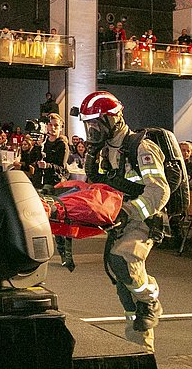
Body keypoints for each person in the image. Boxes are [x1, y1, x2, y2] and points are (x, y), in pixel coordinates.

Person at [79, 91, 170, 352]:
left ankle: (151, 298)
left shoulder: (141, 147)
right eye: (89, 125)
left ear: (113, 119)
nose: (92, 131)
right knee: (123, 286)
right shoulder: (107, 150)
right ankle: (139, 349)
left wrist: (129, 211)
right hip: (119, 220)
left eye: (96, 124)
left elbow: (159, 191)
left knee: (123, 260)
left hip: (142, 218)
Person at [34, 113, 72, 270]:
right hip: (40, 184)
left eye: (56, 125)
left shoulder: (62, 144)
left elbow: (62, 169)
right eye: (50, 125)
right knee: (39, 221)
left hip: (55, 185)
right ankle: (39, 255)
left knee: (59, 220)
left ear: (61, 128)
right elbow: (32, 160)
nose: (53, 128)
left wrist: (47, 166)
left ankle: (66, 254)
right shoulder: (43, 143)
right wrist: (37, 147)